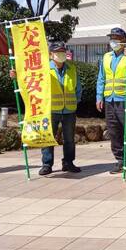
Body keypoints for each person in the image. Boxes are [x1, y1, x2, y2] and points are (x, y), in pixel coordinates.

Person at [96, 27, 126, 174]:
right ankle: (121, 160)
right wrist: (99, 96)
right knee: (114, 132)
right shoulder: (106, 57)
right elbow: (101, 78)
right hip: (110, 100)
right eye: (112, 38)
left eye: (117, 38)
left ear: (124, 41)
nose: (113, 41)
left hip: (125, 100)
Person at [41, 42, 82, 175]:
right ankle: (47, 164)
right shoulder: (44, 69)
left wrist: (76, 100)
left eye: (63, 51)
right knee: (48, 138)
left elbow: (78, 87)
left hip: (69, 109)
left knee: (69, 139)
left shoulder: (71, 68)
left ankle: (68, 162)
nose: (61, 54)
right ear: (50, 54)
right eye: (58, 52)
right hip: (51, 110)